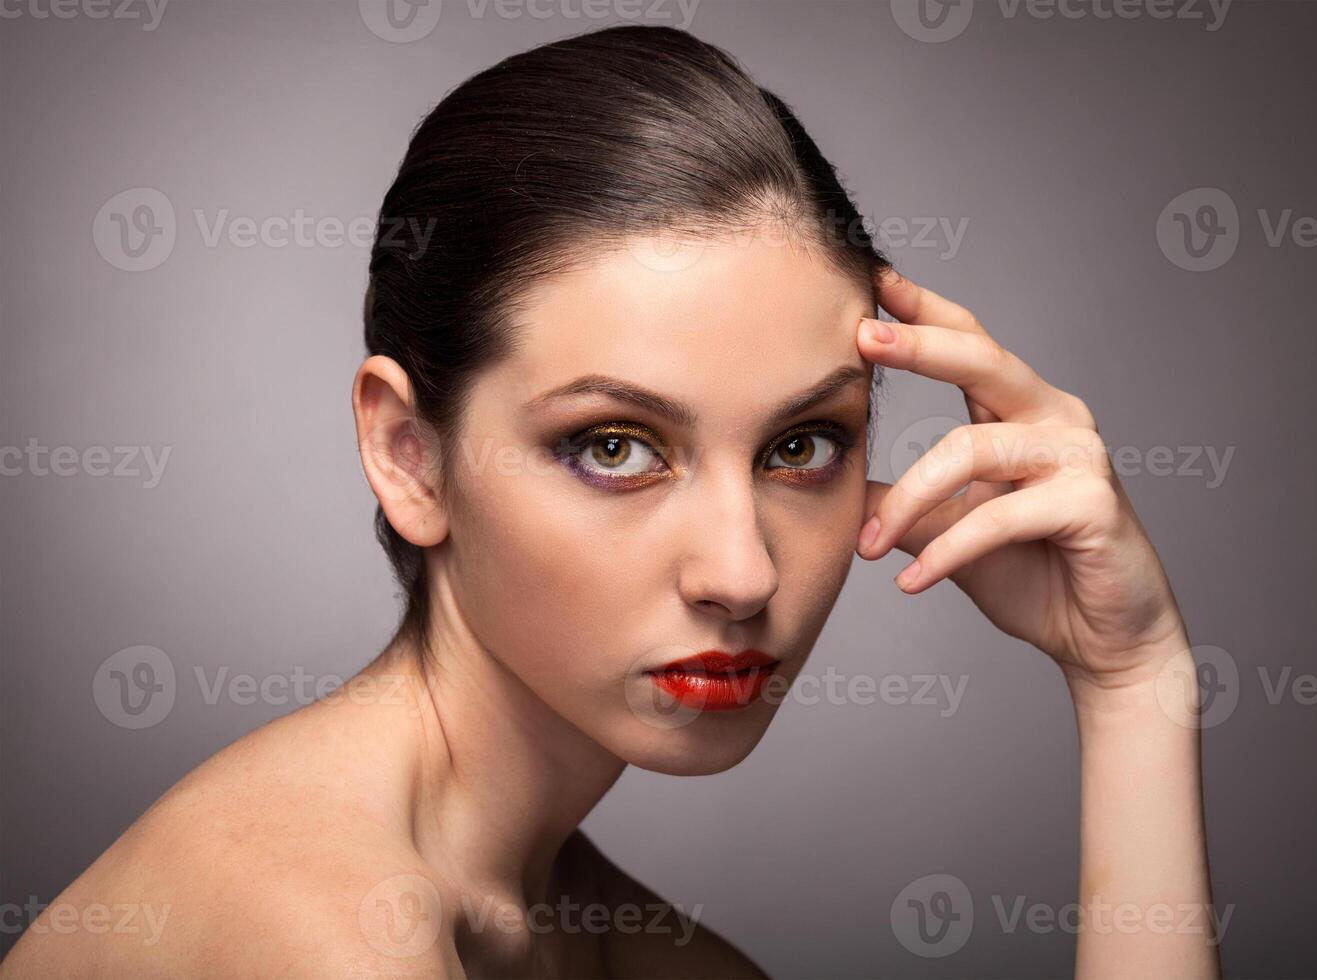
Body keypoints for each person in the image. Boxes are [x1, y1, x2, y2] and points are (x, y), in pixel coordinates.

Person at [1, 24, 1220, 978]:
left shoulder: (618, 943)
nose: (742, 573)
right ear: (409, 454)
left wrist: (1132, 684)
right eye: (617, 446)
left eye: (803, 442)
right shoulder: (320, 928)